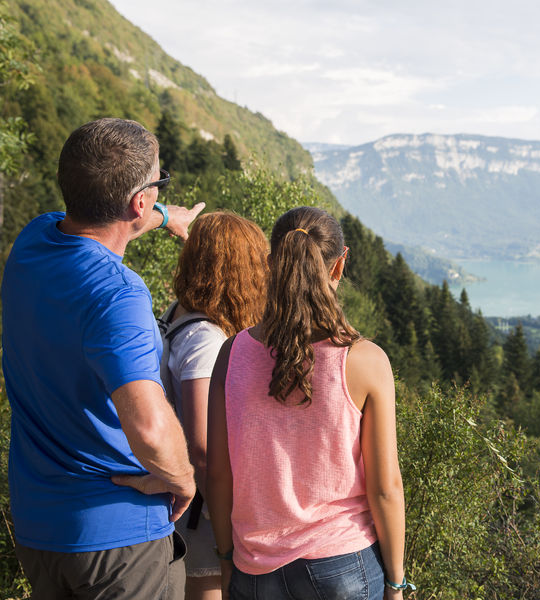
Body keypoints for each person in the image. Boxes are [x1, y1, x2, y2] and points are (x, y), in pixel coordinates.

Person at [1, 117, 204, 599]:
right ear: (138, 199)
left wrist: (163, 216)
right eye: (158, 184)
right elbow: (150, 430)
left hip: (40, 529)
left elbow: (102, 217)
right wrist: (183, 478)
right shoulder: (117, 294)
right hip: (120, 544)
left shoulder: (33, 242)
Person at [206, 206, 413, 599]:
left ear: (272, 264)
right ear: (340, 265)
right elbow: (386, 488)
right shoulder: (365, 360)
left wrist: (225, 557)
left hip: (255, 569)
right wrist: (396, 582)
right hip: (343, 566)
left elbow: (218, 473)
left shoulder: (231, 355)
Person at [160, 212, 268, 600]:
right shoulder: (207, 341)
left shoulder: (177, 313)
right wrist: (230, 530)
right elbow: (203, 450)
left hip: (180, 508)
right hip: (203, 521)